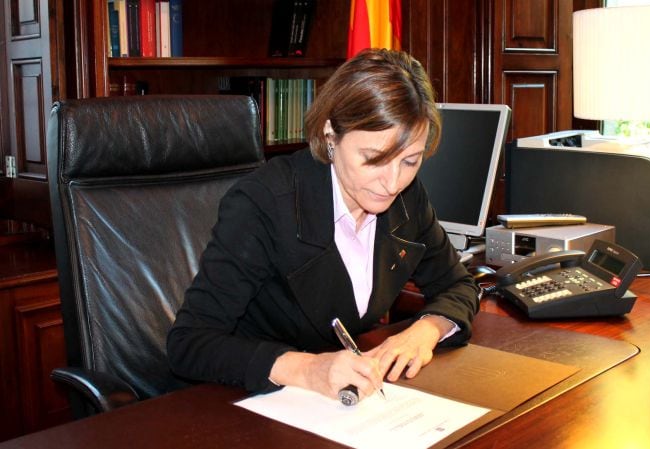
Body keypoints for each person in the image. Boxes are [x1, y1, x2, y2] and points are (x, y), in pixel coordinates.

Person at [167, 48, 479, 402]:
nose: (392, 183)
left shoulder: (408, 198)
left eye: (410, 161)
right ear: (331, 134)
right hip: (240, 400)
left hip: (342, 405)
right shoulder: (264, 202)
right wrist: (308, 369)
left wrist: (426, 330)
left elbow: (458, 284)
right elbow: (189, 343)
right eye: (374, 159)